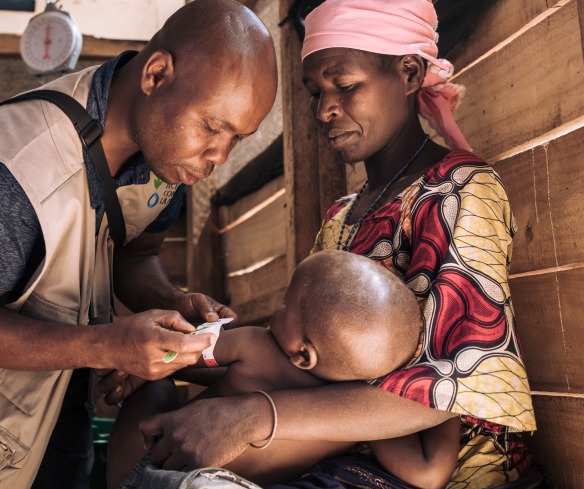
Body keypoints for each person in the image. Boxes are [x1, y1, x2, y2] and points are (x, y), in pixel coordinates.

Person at [102, 1, 540, 488]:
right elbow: (287, 357)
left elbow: (454, 387)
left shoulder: (460, 191)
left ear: (410, 72)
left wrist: (254, 417)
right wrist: (166, 362)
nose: (324, 108)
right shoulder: (341, 217)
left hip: (448, 470)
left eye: (345, 85)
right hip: (337, 458)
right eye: (316, 91)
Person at [0, 0, 277, 487]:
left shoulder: (165, 156)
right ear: (156, 75)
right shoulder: (17, 170)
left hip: (60, 420)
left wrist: (171, 302)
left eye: (238, 138)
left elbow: (136, 255)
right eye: (213, 127)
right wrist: (109, 346)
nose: (219, 157)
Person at [106, 250, 460, 489]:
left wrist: (137, 371)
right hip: (207, 483)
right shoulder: (359, 420)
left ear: (304, 354)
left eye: (285, 305)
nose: (276, 311)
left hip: (144, 466)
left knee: (156, 387)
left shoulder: (255, 345)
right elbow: (429, 471)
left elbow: (178, 353)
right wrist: (454, 403)